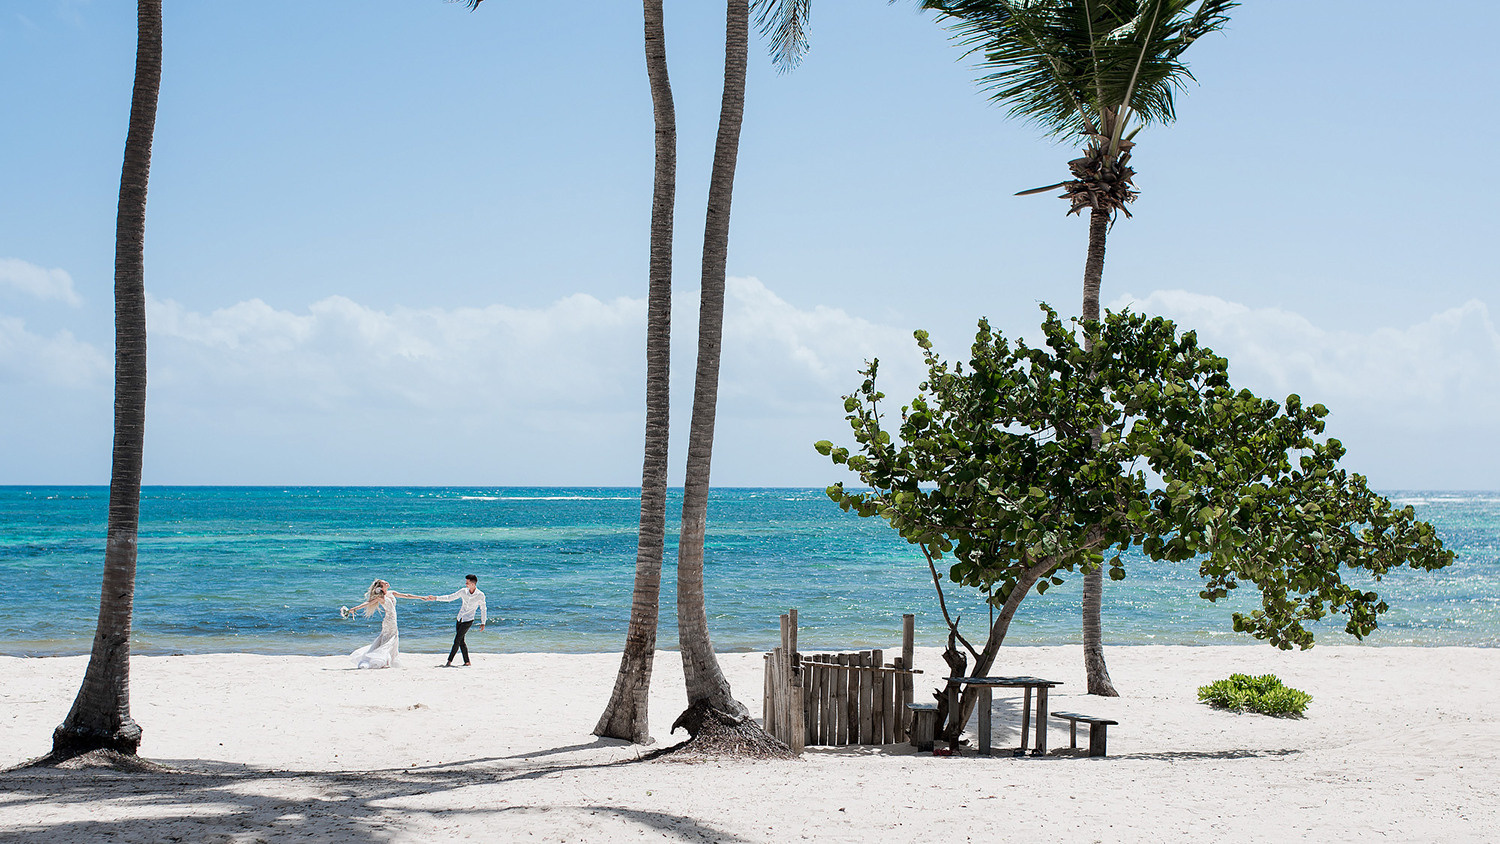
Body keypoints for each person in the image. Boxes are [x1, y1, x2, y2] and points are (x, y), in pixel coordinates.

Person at [344, 579, 425, 669]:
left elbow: (406, 596)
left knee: (390, 640)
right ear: (381, 588)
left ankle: (385, 660)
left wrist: (420, 597)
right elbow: (367, 603)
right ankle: (382, 660)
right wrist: (354, 609)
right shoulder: (381, 597)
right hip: (389, 621)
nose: (387, 583)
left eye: (386, 582)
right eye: (384, 583)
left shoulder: (391, 593)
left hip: (393, 620)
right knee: (389, 640)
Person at [430, 574, 486, 667]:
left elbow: (483, 609)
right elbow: (450, 597)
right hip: (460, 618)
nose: (465, 584)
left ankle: (449, 661)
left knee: (457, 640)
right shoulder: (463, 591)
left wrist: (483, 622)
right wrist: (436, 598)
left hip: (468, 620)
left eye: (467, 582)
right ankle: (467, 661)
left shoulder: (480, 595)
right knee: (461, 641)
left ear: (473, 584)